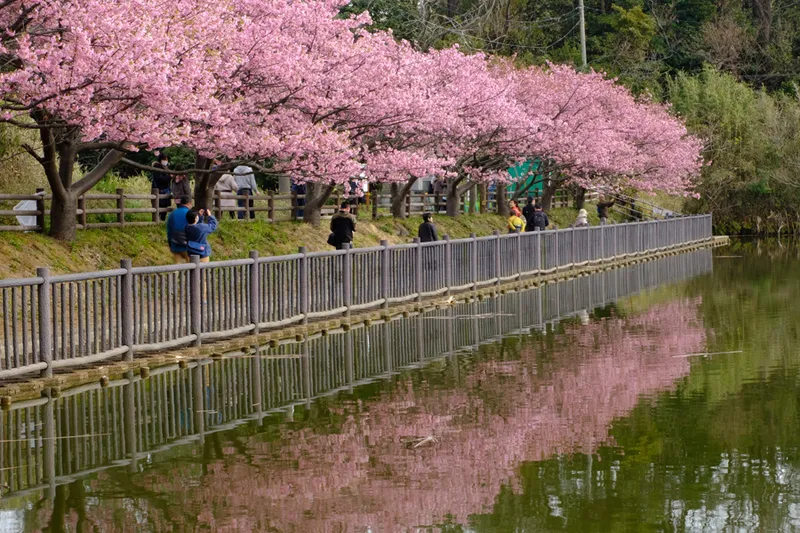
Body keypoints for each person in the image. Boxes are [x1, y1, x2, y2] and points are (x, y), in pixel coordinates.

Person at [166, 195, 192, 263]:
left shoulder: (172, 214)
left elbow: (169, 230)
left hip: (175, 244)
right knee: (191, 265)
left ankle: (176, 273)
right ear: (189, 203)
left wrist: (170, 244)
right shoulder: (190, 214)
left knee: (177, 267)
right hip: (187, 246)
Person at [150, 154, 172, 221]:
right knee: (159, 206)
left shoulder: (166, 168)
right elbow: (160, 179)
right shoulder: (157, 168)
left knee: (164, 208)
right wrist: (170, 176)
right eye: (164, 159)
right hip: (160, 190)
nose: (166, 161)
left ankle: (162, 220)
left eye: (167, 159)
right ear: (160, 160)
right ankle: (158, 220)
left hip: (165, 190)